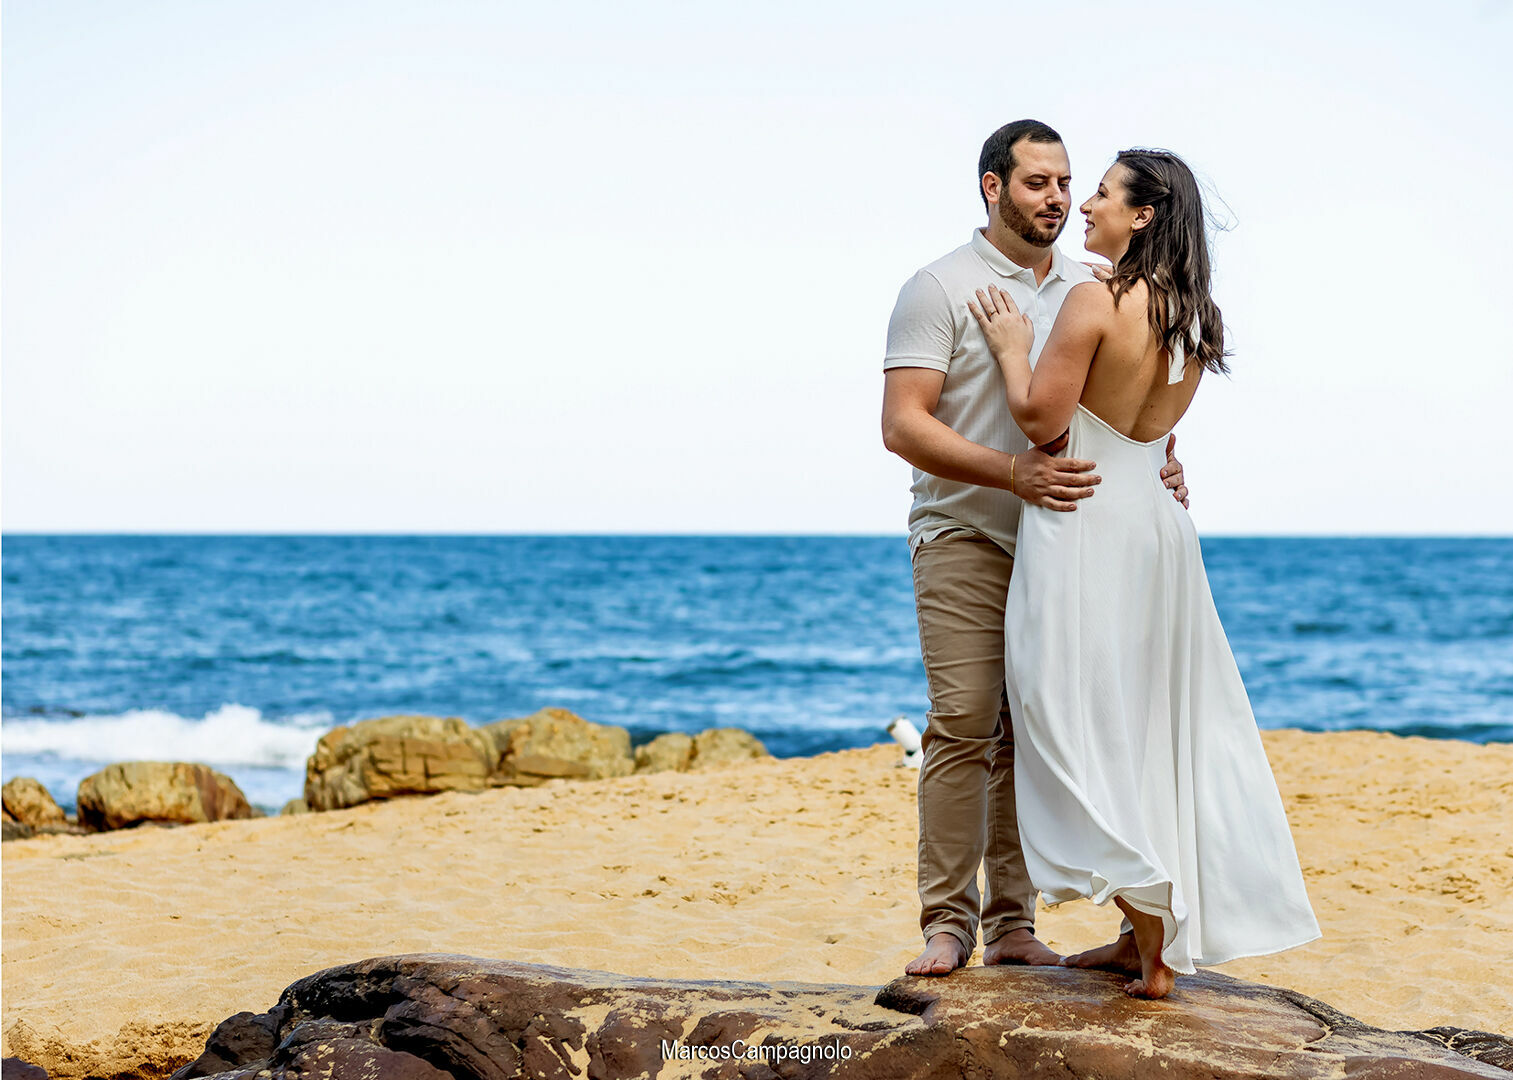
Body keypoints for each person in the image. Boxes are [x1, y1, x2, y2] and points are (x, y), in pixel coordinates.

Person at [967, 148, 1320, 998]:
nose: (1083, 203)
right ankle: (1138, 937)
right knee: (1154, 727)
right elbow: (1152, 436)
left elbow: (1041, 421)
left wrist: (1013, 345)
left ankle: (1154, 939)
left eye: (1100, 193)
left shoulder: (1094, 299)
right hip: (1159, 532)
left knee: (1066, 718)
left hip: (1081, 524)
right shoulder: (1200, 315)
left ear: (1143, 215)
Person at [882, 120, 1190, 978]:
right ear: (992, 187)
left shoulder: (1093, 286)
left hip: (1069, 550)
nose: (1058, 197)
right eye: (1036, 183)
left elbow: (1119, 400)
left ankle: (1012, 925)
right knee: (965, 722)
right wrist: (1010, 474)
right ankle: (948, 924)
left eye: (1066, 183)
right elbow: (901, 425)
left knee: (1032, 732)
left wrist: (1156, 461)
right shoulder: (936, 287)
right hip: (964, 532)